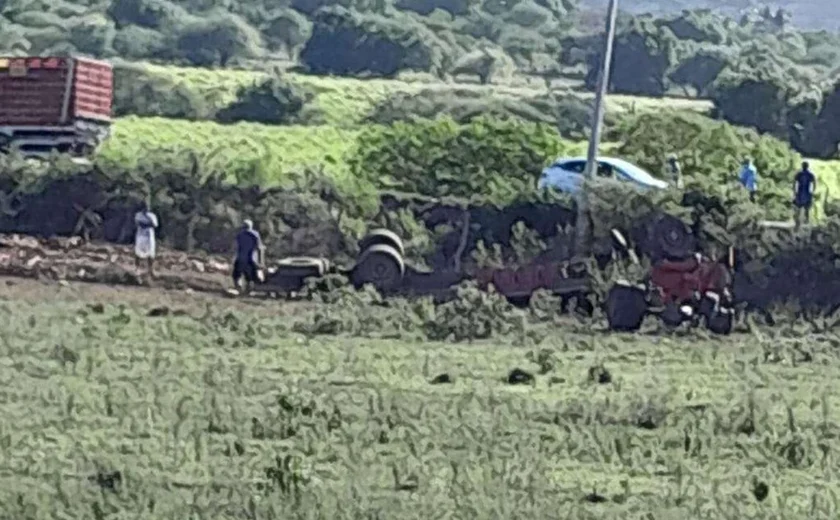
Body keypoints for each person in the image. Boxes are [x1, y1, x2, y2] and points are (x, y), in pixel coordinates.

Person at [233, 219, 264, 294]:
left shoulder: (240, 234)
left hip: (241, 257)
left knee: (237, 275)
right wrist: (261, 261)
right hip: (251, 258)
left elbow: (236, 246)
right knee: (250, 276)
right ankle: (248, 290)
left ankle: (239, 288)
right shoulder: (255, 234)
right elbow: (259, 247)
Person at [134, 201, 159, 278]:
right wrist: (147, 223)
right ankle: (137, 268)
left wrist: (147, 220)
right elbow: (139, 223)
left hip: (149, 236)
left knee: (151, 253)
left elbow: (154, 225)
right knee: (138, 252)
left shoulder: (152, 216)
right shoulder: (138, 215)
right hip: (140, 236)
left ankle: (151, 269)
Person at [793, 161, 817, 229]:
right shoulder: (809, 174)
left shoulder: (799, 174)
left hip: (801, 192)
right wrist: (813, 191)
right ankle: (805, 220)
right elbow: (814, 183)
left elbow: (794, 182)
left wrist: (794, 191)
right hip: (806, 193)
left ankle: (799, 221)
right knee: (806, 208)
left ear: (802, 166)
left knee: (799, 207)